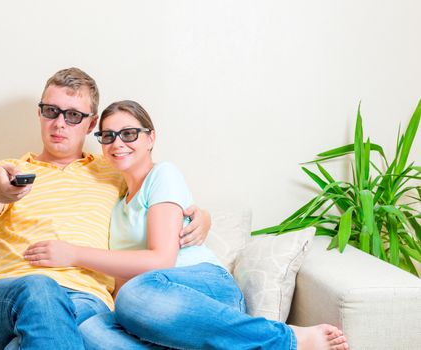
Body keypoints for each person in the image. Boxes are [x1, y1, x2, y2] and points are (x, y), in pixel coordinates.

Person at [23, 100, 350, 350]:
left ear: (150, 138)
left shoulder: (163, 175)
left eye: (129, 133)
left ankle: (284, 340)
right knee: (89, 331)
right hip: (158, 310)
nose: (117, 143)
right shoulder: (117, 201)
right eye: (108, 136)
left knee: (134, 294)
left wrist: (73, 255)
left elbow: (160, 261)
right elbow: (124, 277)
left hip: (199, 291)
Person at [0, 68, 210, 350]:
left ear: (91, 122)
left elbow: (156, 190)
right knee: (40, 286)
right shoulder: (10, 172)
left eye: (72, 115)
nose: (59, 123)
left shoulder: (113, 171)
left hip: (87, 300)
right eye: (51, 111)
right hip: (11, 295)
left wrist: (203, 217)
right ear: (40, 113)